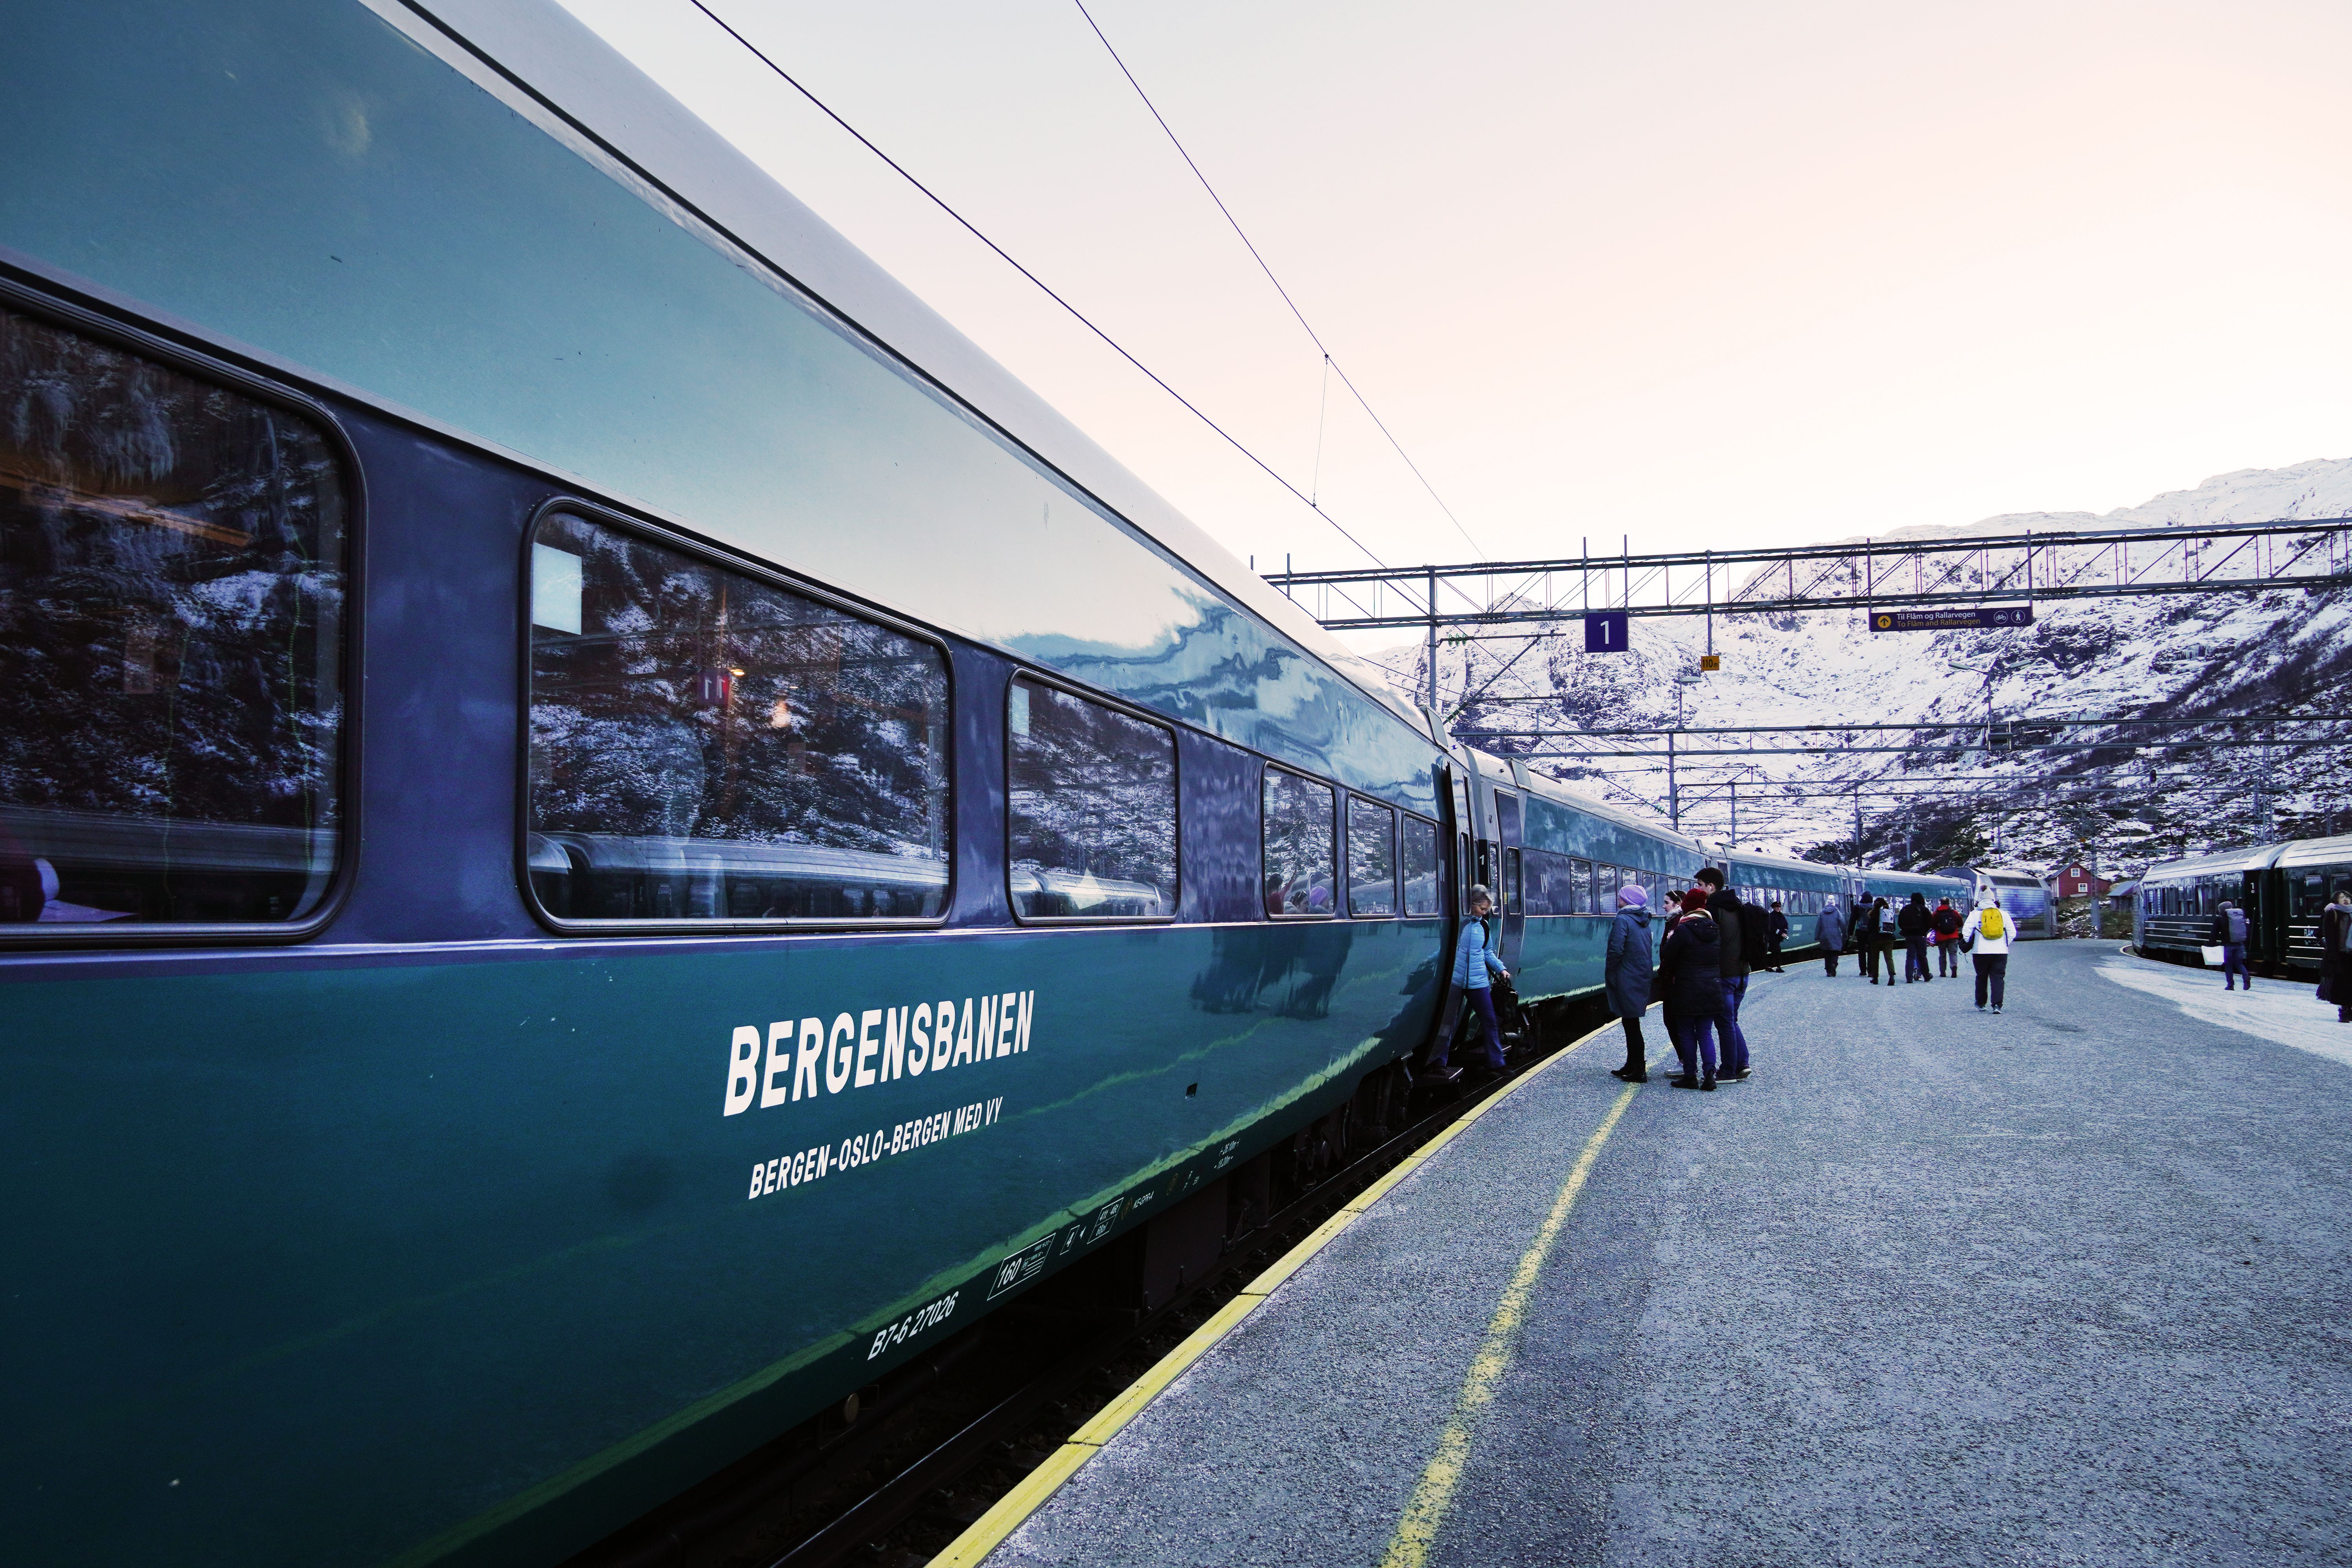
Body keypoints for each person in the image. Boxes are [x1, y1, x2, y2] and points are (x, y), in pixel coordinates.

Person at [1437, 883, 1510, 1083]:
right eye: (1482, 908)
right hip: (1455, 981)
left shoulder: (1484, 927)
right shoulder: (1459, 926)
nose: (1484, 913)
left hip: (1478, 982)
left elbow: (1488, 953)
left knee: (1489, 1020)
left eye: (1486, 909)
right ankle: (1440, 1062)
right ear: (1470, 904)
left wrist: (1501, 969)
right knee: (1448, 1023)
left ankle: (1497, 1064)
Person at [1659, 887, 1727, 1089]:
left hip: (1686, 988)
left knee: (1687, 1033)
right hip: (1712, 988)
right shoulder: (1714, 929)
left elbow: (1667, 954)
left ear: (1687, 907)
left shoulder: (1683, 929)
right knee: (1705, 1033)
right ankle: (1709, 1075)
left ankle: (1690, 1076)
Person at [1694, 867, 1753, 1081]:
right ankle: (1741, 1063)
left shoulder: (1713, 909)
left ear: (1711, 887)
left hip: (1725, 974)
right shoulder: (1738, 906)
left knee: (1725, 1023)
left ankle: (1728, 1071)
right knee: (1731, 1020)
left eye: (1700, 885)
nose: (1698, 889)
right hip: (1743, 973)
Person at [1605, 885, 1654, 1083]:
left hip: (1626, 975)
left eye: (1621, 896)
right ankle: (1631, 1063)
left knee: (1632, 1024)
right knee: (1630, 1021)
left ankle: (1639, 1069)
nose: (1618, 898)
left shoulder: (1623, 919)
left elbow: (1616, 950)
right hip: (1641, 974)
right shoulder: (1643, 920)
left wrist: (1611, 970)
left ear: (1627, 900)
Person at [1961, 893, 2011, 1013]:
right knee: (1998, 978)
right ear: (1994, 900)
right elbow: (2012, 932)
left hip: (1980, 952)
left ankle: (1981, 1004)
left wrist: (1970, 943)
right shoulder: (2003, 914)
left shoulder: (1974, 914)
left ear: (1979, 901)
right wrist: (2005, 944)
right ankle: (1997, 1006)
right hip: (2000, 952)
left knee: (1981, 977)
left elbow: (1966, 931)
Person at [2319, 887, 2352, 1025]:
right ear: (2336, 901)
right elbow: (2330, 935)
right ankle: (2344, 1010)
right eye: (2342, 897)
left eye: (2348, 897)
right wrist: (2332, 955)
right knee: (2343, 983)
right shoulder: (2333, 914)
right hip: (2340, 955)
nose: (2346, 900)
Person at [2208, 900, 2252, 991]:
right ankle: (2246, 977)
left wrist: (2211, 945)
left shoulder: (2220, 919)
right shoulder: (2241, 917)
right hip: (2240, 944)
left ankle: (2230, 985)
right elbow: (2247, 930)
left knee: (2228, 965)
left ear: (2222, 910)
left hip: (2227, 945)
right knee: (2239, 964)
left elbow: (2214, 933)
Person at [1898, 891, 1932, 983]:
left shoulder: (1905, 909)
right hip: (1921, 936)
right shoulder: (1924, 909)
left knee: (1910, 957)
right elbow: (1930, 923)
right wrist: (1924, 931)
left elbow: (1900, 923)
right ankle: (1927, 976)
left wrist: (1907, 931)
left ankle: (1909, 978)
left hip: (1909, 936)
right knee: (1923, 956)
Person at [1816, 894, 1848, 976]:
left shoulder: (1822, 913)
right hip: (1835, 935)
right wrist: (1845, 935)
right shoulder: (1837, 912)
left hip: (1824, 936)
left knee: (1827, 953)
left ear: (1827, 903)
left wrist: (1817, 937)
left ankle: (1828, 972)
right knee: (1835, 951)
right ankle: (1834, 964)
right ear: (1834, 903)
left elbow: (1819, 926)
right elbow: (1843, 924)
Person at [1932, 898, 1963, 977]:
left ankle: (1943, 972)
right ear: (1949, 903)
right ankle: (1954, 968)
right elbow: (1960, 923)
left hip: (1941, 937)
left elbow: (1932, 925)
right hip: (1953, 937)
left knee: (1942, 955)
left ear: (1941, 903)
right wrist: (1955, 927)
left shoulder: (1936, 913)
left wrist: (1938, 929)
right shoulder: (1954, 913)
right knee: (1953, 954)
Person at [1764, 900, 1789, 972]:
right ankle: (1778, 968)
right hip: (1773, 937)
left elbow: (1786, 925)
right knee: (1778, 951)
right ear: (1773, 908)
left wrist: (1785, 932)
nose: (1778, 908)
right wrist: (1780, 933)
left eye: (1779, 907)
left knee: (1774, 952)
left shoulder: (1782, 916)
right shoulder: (1771, 916)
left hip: (1778, 938)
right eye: (1776, 907)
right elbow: (1772, 927)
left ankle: (1769, 967)